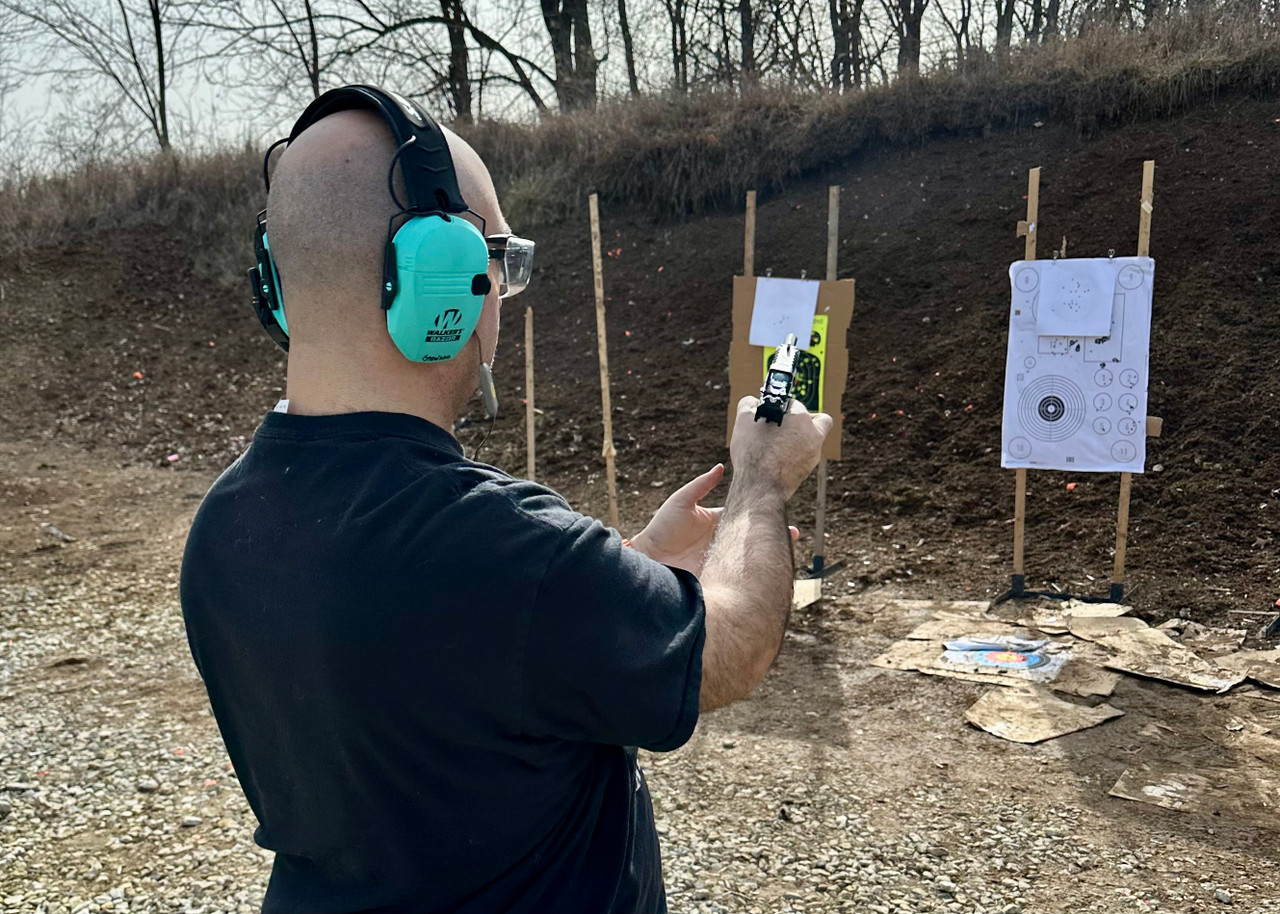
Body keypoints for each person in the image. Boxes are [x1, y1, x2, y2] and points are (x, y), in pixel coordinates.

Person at [180, 86, 831, 914]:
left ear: (277, 284)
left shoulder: (224, 526)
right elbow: (730, 649)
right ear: (441, 280)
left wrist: (627, 571)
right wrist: (762, 478)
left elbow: (436, 660)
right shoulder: (502, 549)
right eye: (496, 262)